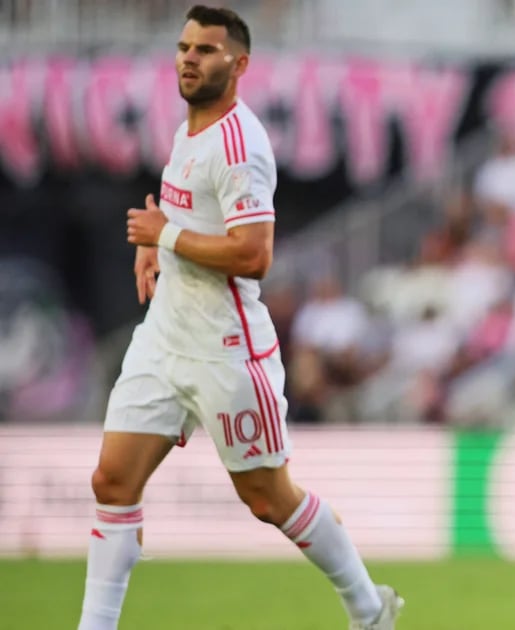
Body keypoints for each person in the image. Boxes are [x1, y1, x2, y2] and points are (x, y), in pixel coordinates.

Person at [78, 6, 402, 630]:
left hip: (226, 349)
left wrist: (165, 235)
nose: (190, 58)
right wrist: (157, 239)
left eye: (206, 49)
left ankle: (369, 608)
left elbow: (254, 255)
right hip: (163, 340)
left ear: (240, 63)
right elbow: (182, 214)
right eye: (184, 47)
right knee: (111, 480)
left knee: (267, 498)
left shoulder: (239, 144)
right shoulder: (190, 128)